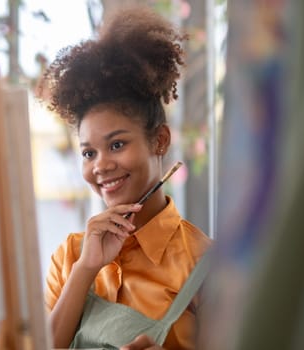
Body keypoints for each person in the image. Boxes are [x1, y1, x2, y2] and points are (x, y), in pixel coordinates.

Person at [41, 6, 213, 350]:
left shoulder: (205, 265)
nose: (100, 165)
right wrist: (85, 270)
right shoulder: (70, 256)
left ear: (159, 140)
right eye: (89, 153)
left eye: (116, 144)